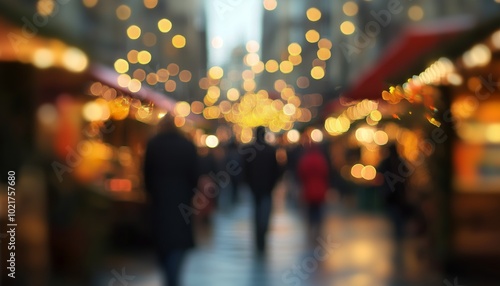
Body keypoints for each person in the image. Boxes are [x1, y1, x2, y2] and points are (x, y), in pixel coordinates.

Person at [143, 115, 199, 286]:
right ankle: (173, 278)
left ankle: (170, 278)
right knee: (178, 243)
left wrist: (152, 193)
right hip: (181, 200)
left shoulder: (153, 145)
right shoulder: (187, 146)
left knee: (163, 243)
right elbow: (194, 174)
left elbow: (146, 174)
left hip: (160, 201)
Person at [243, 126, 282, 254]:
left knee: (256, 212)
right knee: (265, 213)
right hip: (266, 188)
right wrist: (272, 184)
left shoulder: (250, 150)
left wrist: (249, 183)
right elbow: (277, 170)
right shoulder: (270, 150)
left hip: (256, 188)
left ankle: (258, 237)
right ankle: (262, 235)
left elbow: (245, 170)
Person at [297, 142, 330, 242]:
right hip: (320, 189)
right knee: (319, 209)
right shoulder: (321, 159)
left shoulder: (305, 159)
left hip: (308, 189)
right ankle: (318, 229)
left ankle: (311, 228)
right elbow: (326, 173)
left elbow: (301, 173)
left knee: (310, 210)